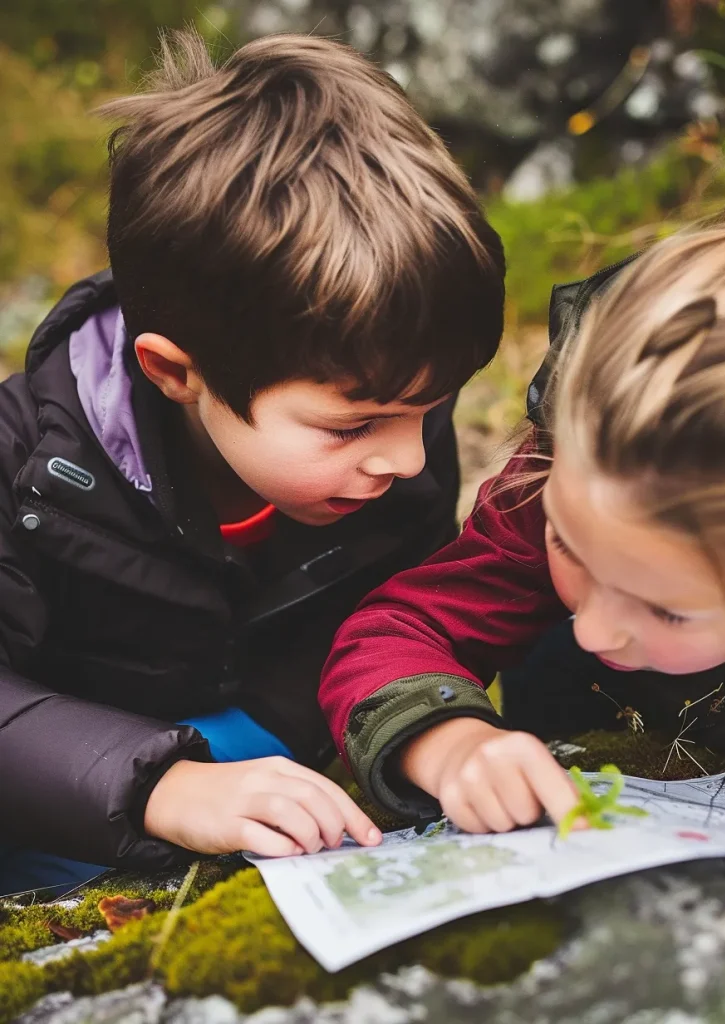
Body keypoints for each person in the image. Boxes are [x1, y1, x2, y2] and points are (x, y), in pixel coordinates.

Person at [0, 30, 506, 894]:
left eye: (432, 405)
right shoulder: (26, 465)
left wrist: (416, 728)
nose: (405, 457)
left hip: (271, 774)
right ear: (174, 373)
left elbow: (390, 615)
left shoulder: (391, 410)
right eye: (353, 426)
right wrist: (158, 786)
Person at [320, 215, 725, 835]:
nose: (594, 629)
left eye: (667, 610)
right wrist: (449, 742)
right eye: (569, 544)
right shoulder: (563, 479)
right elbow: (399, 630)